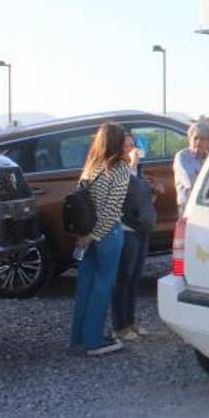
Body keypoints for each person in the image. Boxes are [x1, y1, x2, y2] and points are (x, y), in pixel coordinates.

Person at [70, 122, 132, 356]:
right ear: (117, 143)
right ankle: (94, 341)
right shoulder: (120, 170)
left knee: (85, 286)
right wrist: (95, 236)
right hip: (108, 235)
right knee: (103, 287)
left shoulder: (90, 167)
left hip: (84, 233)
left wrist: (83, 236)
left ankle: (78, 337)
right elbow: (111, 209)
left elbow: (79, 203)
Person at [111, 134, 157, 341]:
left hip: (141, 228)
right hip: (126, 229)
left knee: (134, 278)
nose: (131, 150)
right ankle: (119, 325)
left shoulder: (137, 169)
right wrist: (133, 164)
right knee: (124, 278)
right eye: (126, 146)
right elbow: (126, 193)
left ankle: (130, 322)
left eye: (132, 145)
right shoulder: (118, 170)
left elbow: (141, 197)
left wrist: (155, 191)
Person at [173, 121, 209, 210]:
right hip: (187, 206)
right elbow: (192, 182)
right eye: (195, 138)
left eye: (202, 139)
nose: (198, 142)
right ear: (189, 139)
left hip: (207, 205)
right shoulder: (182, 156)